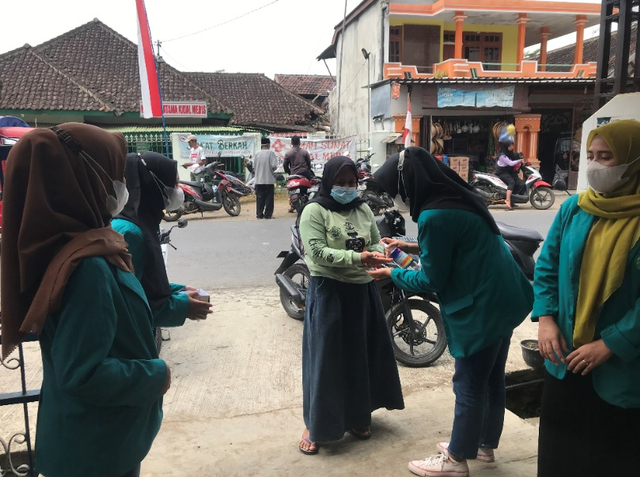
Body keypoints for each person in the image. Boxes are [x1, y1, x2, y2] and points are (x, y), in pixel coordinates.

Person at [0, 123, 169, 477]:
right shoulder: (87, 265)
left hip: (91, 441)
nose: (120, 186)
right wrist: (155, 374)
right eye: (113, 175)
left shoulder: (73, 246)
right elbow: (83, 372)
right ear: (83, 180)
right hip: (96, 450)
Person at [370, 147, 533, 477]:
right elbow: (459, 241)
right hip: (505, 298)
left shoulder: (434, 216)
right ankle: (483, 444)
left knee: (469, 383)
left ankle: (456, 460)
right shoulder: (459, 198)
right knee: (490, 379)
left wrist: (392, 273)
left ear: (409, 183)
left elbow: (431, 278)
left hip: (482, 307)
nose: (395, 199)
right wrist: (410, 247)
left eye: (395, 191)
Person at [532, 119, 640, 477]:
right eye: (589, 155)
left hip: (621, 368)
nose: (594, 165)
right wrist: (546, 319)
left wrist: (612, 343)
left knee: (610, 458)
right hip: (563, 357)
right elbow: (547, 266)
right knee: (559, 454)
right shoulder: (574, 209)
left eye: (606, 157)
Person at [297, 155, 404, 455]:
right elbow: (317, 253)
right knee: (325, 362)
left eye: (351, 183)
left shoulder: (363, 208)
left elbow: (373, 240)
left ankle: (359, 416)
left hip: (361, 291)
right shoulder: (313, 211)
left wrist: (384, 249)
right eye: (340, 183)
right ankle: (315, 425)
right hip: (329, 291)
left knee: (361, 358)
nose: (346, 188)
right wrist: (359, 258)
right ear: (328, 182)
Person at [112, 152, 212, 325]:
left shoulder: (135, 222)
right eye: (173, 183)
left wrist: (177, 290)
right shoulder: (131, 234)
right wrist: (182, 307)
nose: (178, 189)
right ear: (153, 185)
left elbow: (139, 282)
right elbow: (127, 304)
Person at [495, 140, 525, 210]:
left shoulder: (509, 153)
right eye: (510, 145)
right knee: (511, 182)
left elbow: (515, 156)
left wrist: (521, 159)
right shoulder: (502, 155)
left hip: (508, 172)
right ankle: (507, 200)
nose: (512, 147)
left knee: (520, 183)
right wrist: (519, 160)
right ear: (506, 146)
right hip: (501, 172)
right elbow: (510, 163)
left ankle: (512, 200)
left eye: (512, 145)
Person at [253, 137, 278, 219]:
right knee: (269, 198)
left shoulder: (257, 154)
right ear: (268, 145)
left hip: (259, 180)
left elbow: (254, 166)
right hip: (269, 179)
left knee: (260, 198)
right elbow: (274, 166)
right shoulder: (271, 153)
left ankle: (259, 214)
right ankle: (268, 214)